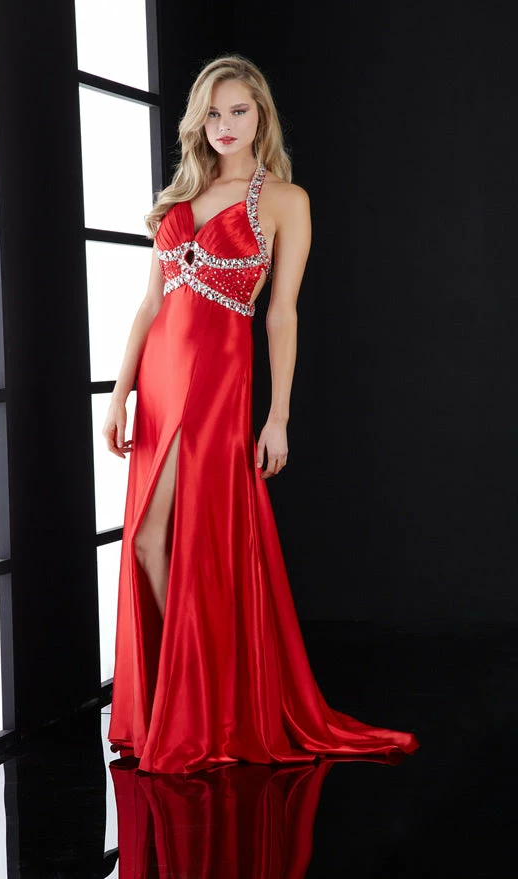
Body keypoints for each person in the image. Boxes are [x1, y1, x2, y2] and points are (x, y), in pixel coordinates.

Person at [103, 54, 419, 774]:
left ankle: (204, 701)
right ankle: (192, 697)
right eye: (213, 113)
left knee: (182, 538)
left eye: (238, 111)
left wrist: (278, 415)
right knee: (153, 543)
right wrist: (119, 394)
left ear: (261, 116)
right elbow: (149, 305)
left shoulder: (284, 200)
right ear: (198, 120)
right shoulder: (179, 197)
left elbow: (282, 314)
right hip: (159, 381)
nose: (224, 125)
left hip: (217, 380)